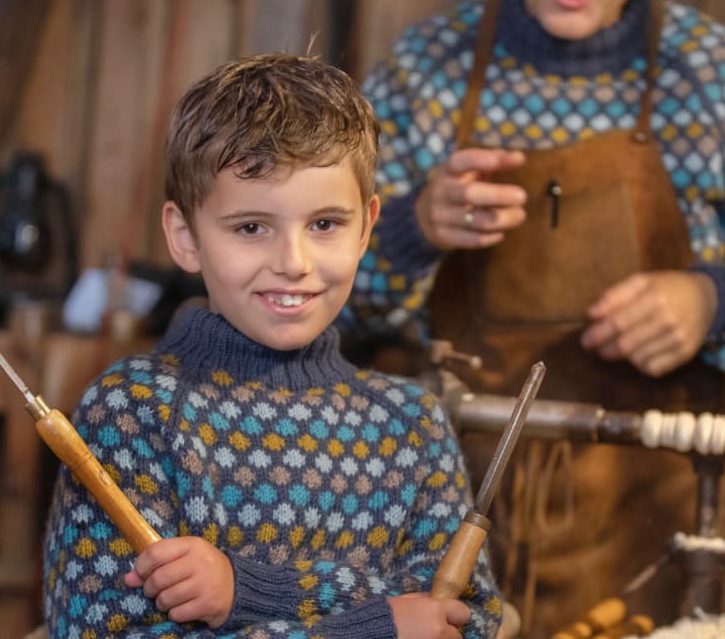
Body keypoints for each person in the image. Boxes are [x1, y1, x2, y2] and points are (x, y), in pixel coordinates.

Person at [341, 0, 725, 635]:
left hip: (659, 521)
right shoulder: (424, 72)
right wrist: (409, 228)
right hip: (446, 508)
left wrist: (720, 299)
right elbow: (326, 304)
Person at [41, 54, 502, 639]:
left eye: (325, 224)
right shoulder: (134, 413)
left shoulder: (412, 425)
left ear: (366, 227)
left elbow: (467, 618)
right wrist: (368, 629)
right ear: (185, 237)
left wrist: (247, 592)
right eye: (251, 227)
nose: (293, 262)